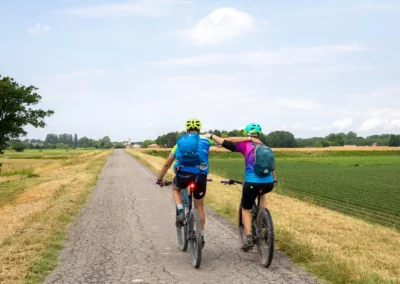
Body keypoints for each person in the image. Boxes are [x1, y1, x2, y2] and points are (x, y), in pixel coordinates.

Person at [205, 123, 276, 250]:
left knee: (246, 209)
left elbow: (225, 142)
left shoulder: (245, 144)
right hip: (269, 183)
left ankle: (248, 237)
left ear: (245, 134)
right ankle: (263, 221)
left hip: (251, 182)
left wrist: (211, 135)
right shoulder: (265, 146)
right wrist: (274, 179)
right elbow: (272, 166)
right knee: (262, 193)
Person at [156, 118, 213, 247]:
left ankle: (181, 211)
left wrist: (160, 179)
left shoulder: (179, 143)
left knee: (176, 188)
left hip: (183, 174)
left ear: (187, 129)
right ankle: (201, 236)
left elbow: (166, 164)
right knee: (199, 206)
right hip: (200, 175)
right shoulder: (206, 141)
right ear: (199, 129)